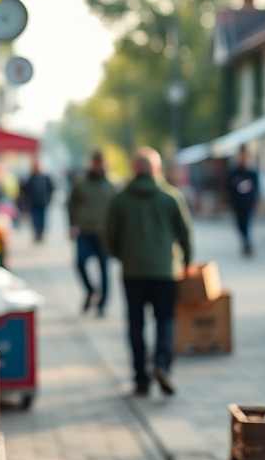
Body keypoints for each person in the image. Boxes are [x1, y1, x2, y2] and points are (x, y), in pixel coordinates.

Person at [105, 147, 193, 397]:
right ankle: (162, 364)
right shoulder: (171, 196)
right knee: (165, 318)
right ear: (156, 169)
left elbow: (109, 235)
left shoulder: (120, 198)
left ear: (134, 169)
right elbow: (185, 233)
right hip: (165, 270)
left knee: (136, 324)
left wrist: (121, 256)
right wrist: (186, 261)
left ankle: (141, 379)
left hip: (132, 271)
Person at [67, 150, 116, 316]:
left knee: (104, 269)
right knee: (80, 263)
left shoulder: (110, 185)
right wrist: (72, 225)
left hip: (104, 233)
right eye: (96, 162)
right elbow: (71, 204)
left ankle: (102, 304)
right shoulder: (81, 183)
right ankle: (91, 290)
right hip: (85, 231)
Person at [226, 146, 259, 256]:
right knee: (240, 224)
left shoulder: (252, 173)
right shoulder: (233, 173)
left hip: (248, 203)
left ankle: (247, 242)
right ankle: (245, 241)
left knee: (247, 223)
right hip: (237, 204)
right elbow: (229, 188)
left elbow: (256, 188)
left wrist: (255, 199)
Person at [21, 158, 55, 243]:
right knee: (35, 220)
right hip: (33, 203)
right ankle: (37, 233)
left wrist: (49, 198)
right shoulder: (30, 178)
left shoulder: (45, 178)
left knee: (43, 219)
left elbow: (51, 188)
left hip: (43, 202)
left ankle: (41, 233)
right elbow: (25, 189)